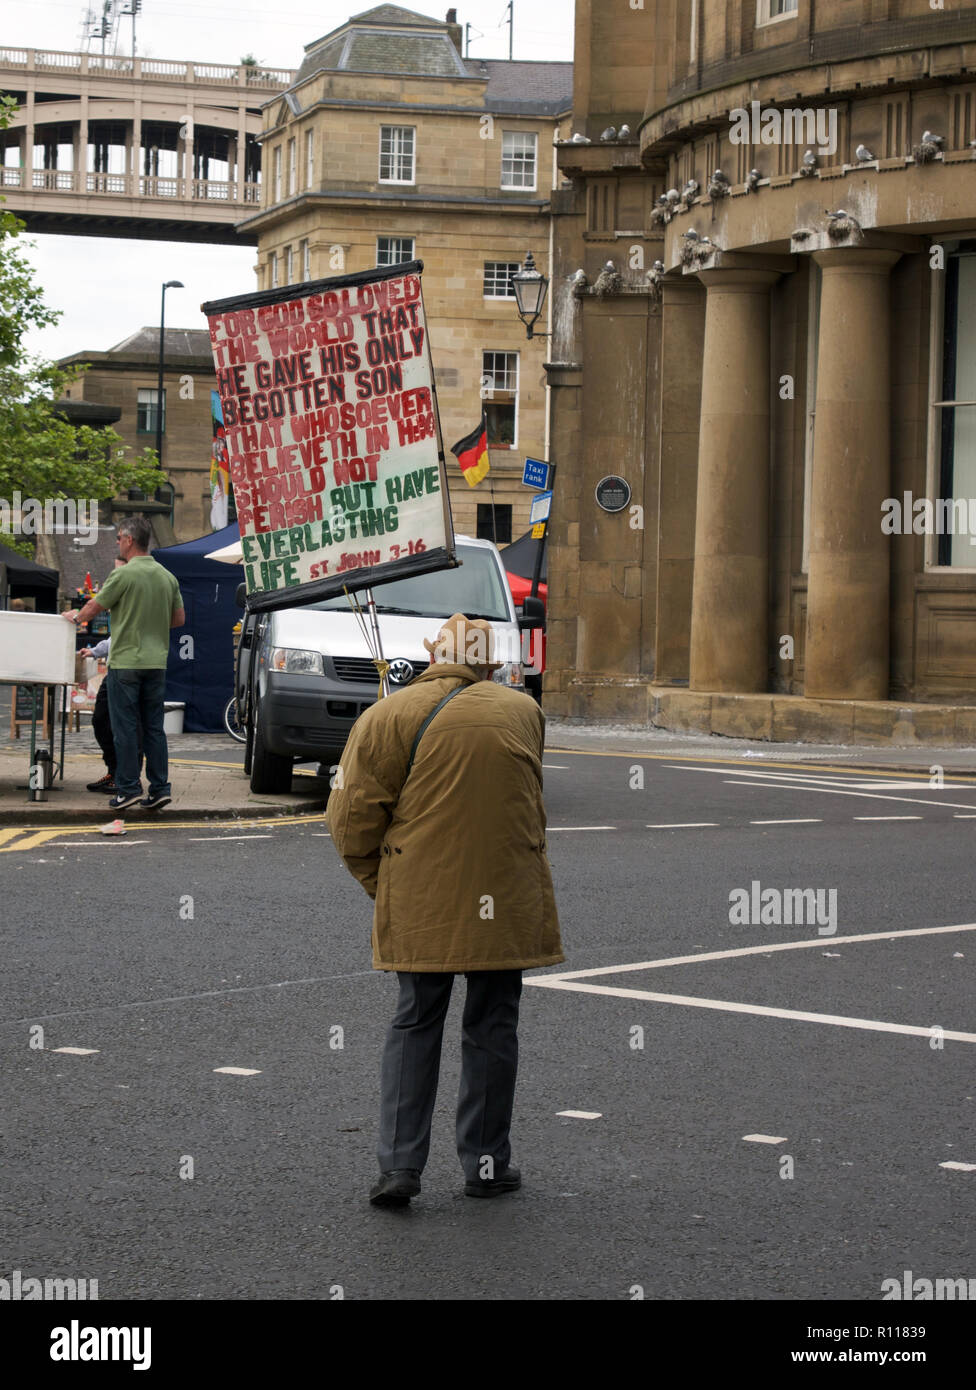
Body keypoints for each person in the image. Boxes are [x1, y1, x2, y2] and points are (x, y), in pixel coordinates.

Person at [327, 612, 564, 1207]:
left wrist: (383, 883)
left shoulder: (386, 716)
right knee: (492, 1025)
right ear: (488, 662)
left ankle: (400, 1169)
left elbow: (351, 820)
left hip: (421, 893)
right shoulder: (524, 711)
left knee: (415, 1020)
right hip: (504, 893)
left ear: (436, 655)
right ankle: (486, 1165)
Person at [63, 516, 184, 812]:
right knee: (154, 728)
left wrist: (75, 618)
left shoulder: (123, 575)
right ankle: (159, 789)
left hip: (126, 662)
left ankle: (128, 788)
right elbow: (179, 619)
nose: (117, 542)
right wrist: (151, 625)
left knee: (126, 728)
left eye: (119, 538)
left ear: (130, 540)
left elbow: (95, 606)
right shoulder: (167, 577)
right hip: (156, 664)